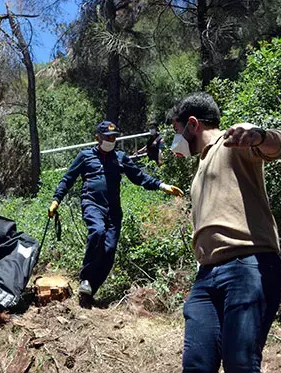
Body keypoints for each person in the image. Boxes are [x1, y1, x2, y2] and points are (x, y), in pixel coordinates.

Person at [169, 92, 281, 373]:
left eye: (177, 130)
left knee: (240, 365)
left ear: (192, 124)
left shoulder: (233, 141)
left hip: (249, 265)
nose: (175, 140)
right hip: (206, 277)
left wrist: (259, 136)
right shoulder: (201, 166)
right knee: (196, 371)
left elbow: (277, 145)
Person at [48, 121, 184, 305]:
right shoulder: (85, 156)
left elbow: (139, 176)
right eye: (107, 137)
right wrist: (56, 200)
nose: (111, 140)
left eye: (114, 137)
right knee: (97, 232)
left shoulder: (120, 157)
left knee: (109, 249)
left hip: (113, 209)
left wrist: (162, 186)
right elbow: (68, 178)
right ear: (97, 138)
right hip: (92, 204)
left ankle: (89, 291)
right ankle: (86, 278)